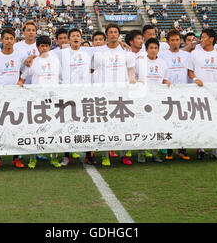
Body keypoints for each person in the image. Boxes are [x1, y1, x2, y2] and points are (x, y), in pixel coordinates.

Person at [92, 23, 136, 166]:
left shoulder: (127, 51)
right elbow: (93, 70)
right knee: (105, 125)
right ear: (106, 34)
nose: (112, 34)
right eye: (110, 32)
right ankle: (105, 155)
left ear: (119, 34)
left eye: (115, 32)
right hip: (105, 93)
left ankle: (123, 154)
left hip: (121, 94)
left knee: (122, 125)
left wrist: (132, 84)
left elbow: (130, 71)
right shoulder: (98, 51)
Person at [19, 35, 63, 169]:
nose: (44, 48)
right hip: (37, 102)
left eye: (46, 45)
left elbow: (61, 79)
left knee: (54, 130)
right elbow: (21, 80)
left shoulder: (55, 60)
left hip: (53, 101)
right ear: (37, 47)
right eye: (41, 46)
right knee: (35, 130)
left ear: (50, 46)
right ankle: (33, 158)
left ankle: (54, 157)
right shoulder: (33, 62)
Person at [0, 28, 25, 170]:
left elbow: (24, 71)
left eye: (11, 38)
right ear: (1, 40)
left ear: (14, 40)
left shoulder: (19, 56)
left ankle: (16, 158)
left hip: (15, 98)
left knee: (15, 128)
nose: (9, 41)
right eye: (6, 38)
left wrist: (21, 81)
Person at [53, 28, 92, 165]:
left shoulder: (88, 52)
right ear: (69, 39)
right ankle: (67, 155)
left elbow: (108, 47)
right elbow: (43, 55)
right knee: (67, 126)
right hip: (68, 96)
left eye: (78, 35)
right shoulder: (61, 53)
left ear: (81, 39)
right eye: (73, 36)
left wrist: (124, 44)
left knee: (86, 126)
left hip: (84, 96)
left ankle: (89, 155)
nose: (76, 38)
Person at [188, 29, 217, 161]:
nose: (201, 40)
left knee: (216, 121)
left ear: (211, 39)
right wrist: (195, 80)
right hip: (199, 93)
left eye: (203, 37)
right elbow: (190, 72)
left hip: (215, 94)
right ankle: (201, 149)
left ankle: (215, 150)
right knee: (201, 121)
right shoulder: (195, 53)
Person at [134, 38, 169, 163]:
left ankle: (155, 153)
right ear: (146, 49)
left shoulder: (163, 63)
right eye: (151, 48)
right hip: (143, 99)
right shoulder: (140, 62)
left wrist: (166, 82)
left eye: (155, 48)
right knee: (143, 127)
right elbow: (134, 78)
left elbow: (164, 79)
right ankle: (141, 153)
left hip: (158, 99)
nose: (153, 50)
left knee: (157, 127)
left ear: (158, 49)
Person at [158, 29, 191, 161]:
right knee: (169, 122)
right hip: (168, 93)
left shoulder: (186, 55)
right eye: (172, 40)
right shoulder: (162, 55)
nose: (175, 42)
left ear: (181, 41)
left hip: (183, 93)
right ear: (168, 41)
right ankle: (170, 150)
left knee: (183, 122)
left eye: (177, 39)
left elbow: (190, 73)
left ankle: (182, 149)